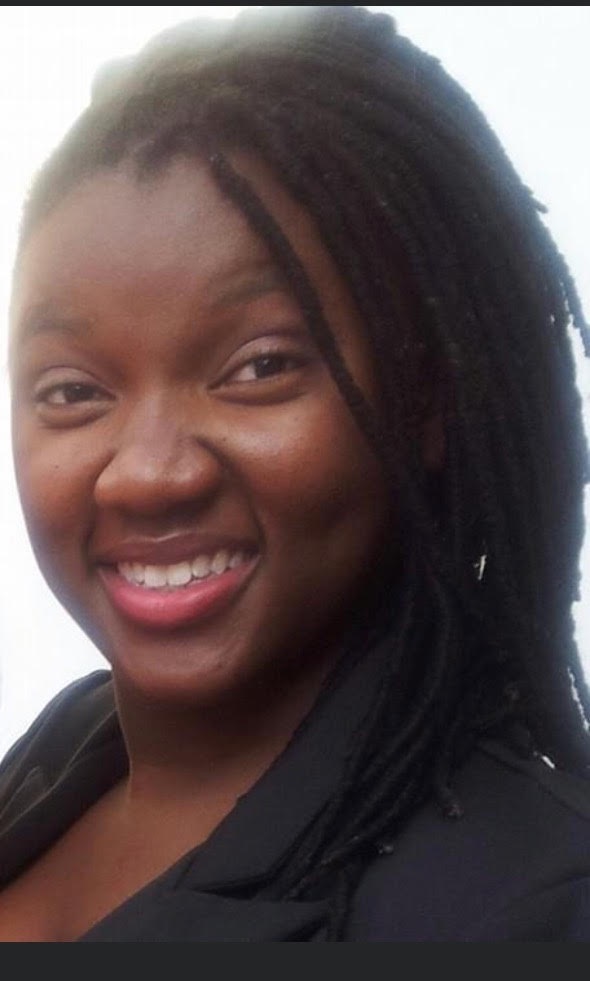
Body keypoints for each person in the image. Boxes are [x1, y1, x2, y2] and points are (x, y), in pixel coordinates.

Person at [0, 5, 589, 942]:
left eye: (260, 367)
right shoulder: (62, 755)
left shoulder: (527, 906)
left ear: (424, 397)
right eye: (72, 389)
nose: (147, 476)